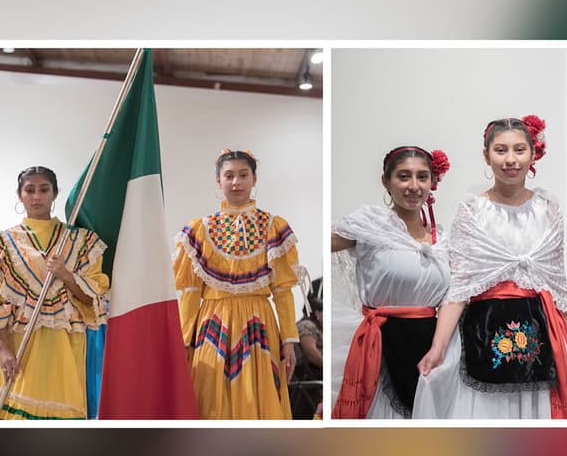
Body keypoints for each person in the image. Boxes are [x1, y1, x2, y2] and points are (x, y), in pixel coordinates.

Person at [414, 117, 567, 419]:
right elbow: (460, 286)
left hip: (541, 333)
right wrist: (437, 348)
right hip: (484, 331)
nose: (510, 160)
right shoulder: (472, 211)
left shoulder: (548, 208)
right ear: (486, 155)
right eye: (501, 150)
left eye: (519, 150)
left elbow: (558, 285)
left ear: (533, 154)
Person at [0, 166, 109, 420]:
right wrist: (4, 350)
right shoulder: (1, 244)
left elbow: (92, 299)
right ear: (19, 195)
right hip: (20, 343)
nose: (36, 196)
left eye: (44, 189)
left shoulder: (80, 242)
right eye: (29, 190)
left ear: (54, 194)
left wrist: (67, 275)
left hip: (66, 343)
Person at [175, 150, 302, 419]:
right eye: (229, 176)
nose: (236, 182)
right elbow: (190, 292)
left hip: (258, 322)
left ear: (254, 179)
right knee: (209, 396)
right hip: (213, 322)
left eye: (243, 175)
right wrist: (184, 340)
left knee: (259, 398)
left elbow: (282, 290)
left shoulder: (273, 227)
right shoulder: (199, 230)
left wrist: (290, 340)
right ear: (218, 181)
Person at [330, 146, 450, 419]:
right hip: (382, 344)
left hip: (431, 348)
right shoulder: (372, 227)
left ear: (433, 182)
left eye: (422, 177)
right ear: (386, 181)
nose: (414, 186)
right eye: (404, 176)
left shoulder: (442, 240)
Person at [290, 277, 323, 419]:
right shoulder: (306, 325)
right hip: (308, 387)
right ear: (316, 311)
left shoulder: (321, 328)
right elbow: (311, 353)